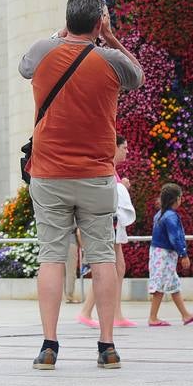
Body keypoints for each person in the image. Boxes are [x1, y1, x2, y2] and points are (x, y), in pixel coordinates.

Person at [19, 0, 143, 370]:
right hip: (96, 176)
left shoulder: (43, 50)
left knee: (52, 257)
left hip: (48, 174)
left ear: (69, 18)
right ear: (99, 22)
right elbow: (136, 76)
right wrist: (111, 37)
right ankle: (106, 346)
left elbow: (25, 68)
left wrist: (64, 33)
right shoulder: (110, 61)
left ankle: (49, 345)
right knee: (103, 256)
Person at [78, 135, 136, 328]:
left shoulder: (112, 170)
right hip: (107, 225)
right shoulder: (106, 169)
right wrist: (121, 187)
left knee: (119, 267)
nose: (127, 151)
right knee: (109, 268)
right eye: (124, 147)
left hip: (113, 225)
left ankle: (116, 314)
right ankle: (87, 311)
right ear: (115, 148)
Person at [146, 183, 193, 326]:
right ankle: (153, 317)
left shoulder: (160, 214)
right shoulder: (171, 216)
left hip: (158, 253)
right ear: (176, 199)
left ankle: (185, 315)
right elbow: (175, 237)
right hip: (164, 254)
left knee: (173, 284)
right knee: (160, 284)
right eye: (180, 197)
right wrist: (183, 254)